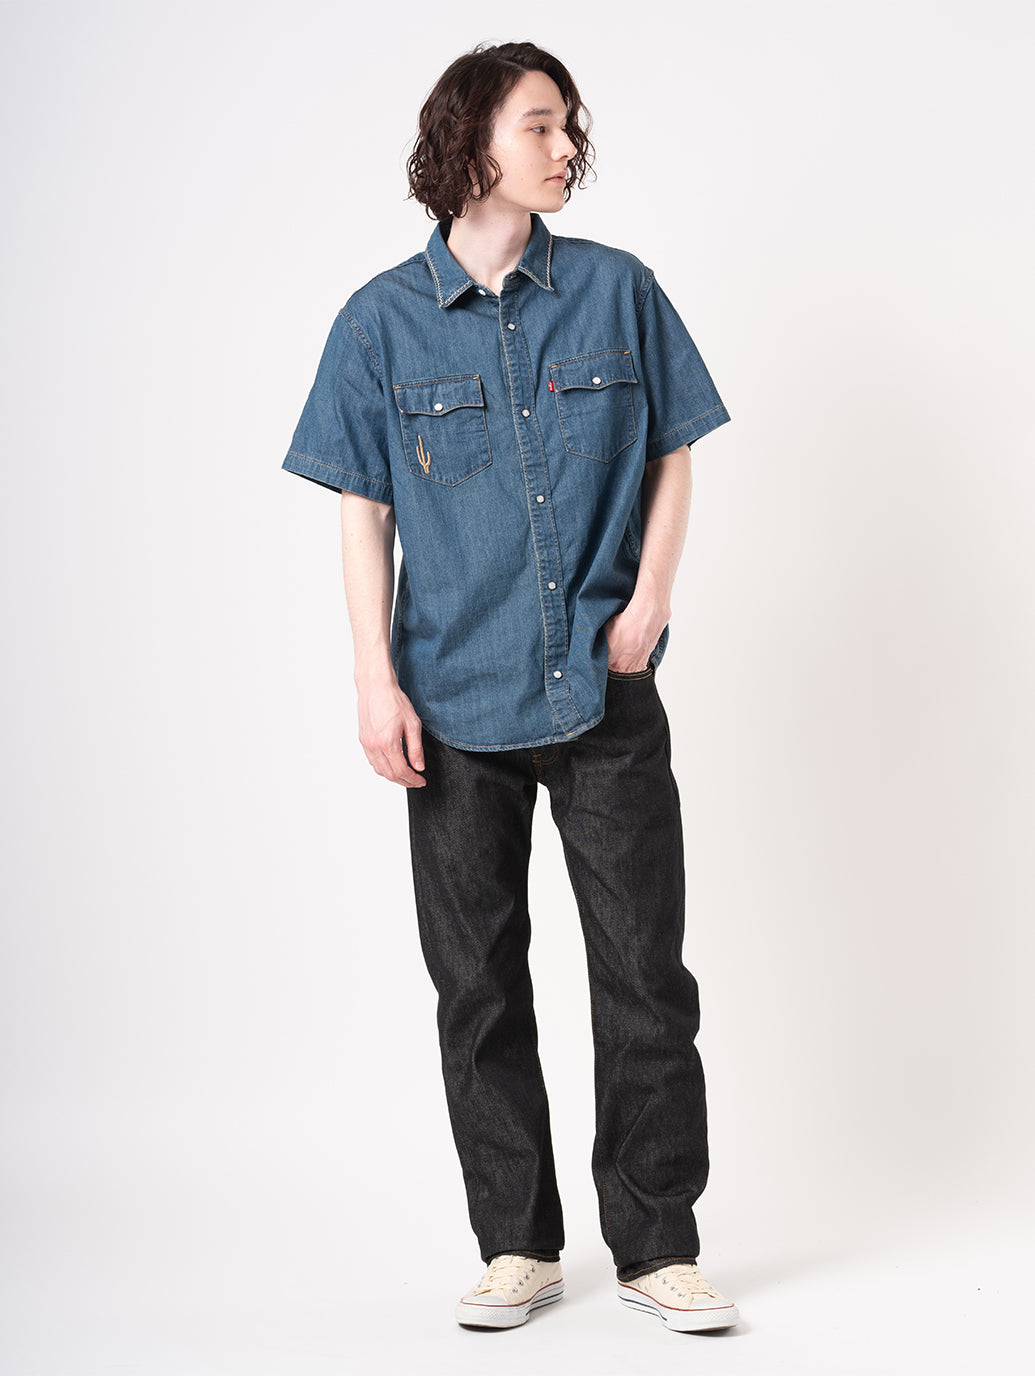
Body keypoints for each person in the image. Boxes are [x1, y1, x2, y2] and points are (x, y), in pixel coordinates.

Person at [282, 40, 739, 1333]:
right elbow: (364, 510)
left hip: (603, 687)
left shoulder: (617, 290)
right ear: (471, 140)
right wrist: (373, 680)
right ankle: (517, 1244)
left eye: (569, 126)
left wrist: (650, 600)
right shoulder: (378, 321)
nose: (565, 148)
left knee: (644, 975)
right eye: (540, 125)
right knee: (477, 984)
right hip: (450, 699)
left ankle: (657, 1245)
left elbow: (674, 448)